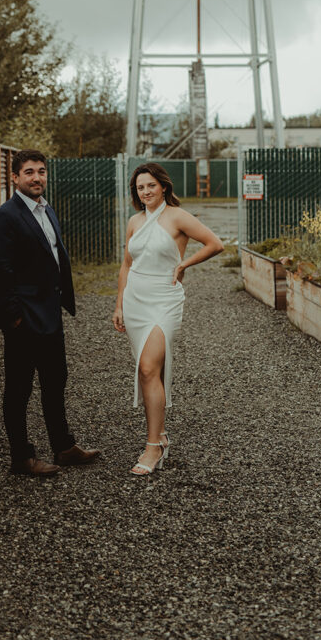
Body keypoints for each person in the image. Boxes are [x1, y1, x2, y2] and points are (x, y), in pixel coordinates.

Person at [0, 149, 100, 476]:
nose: (36, 177)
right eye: (29, 172)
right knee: (19, 390)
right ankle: (22, 458)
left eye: (41, 171)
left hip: (50, 315)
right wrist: (15, 317)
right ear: (15, 177)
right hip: (24, 319)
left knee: (55, 382)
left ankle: (63, 447)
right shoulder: (6, 216)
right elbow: (1, 271)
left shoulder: (46, 210)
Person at [112, 163, 223, 476]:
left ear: (163, 186)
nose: (145, 192)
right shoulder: (134, 221)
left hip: (164, 299)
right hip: (135, 299)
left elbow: (216, 244)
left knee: (148, 367)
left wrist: (184, 264)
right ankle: (158, 435)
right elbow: (126, 265)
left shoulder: (177, 216)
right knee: (150, 373)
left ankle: (152, 447)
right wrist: (119, 303)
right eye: (140, 188)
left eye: (150, 186)